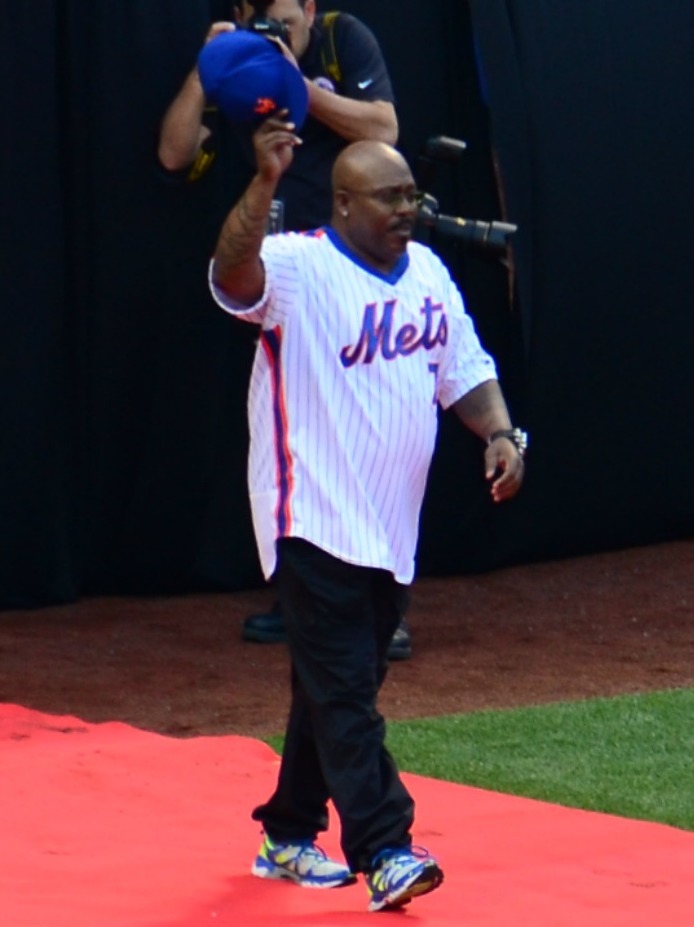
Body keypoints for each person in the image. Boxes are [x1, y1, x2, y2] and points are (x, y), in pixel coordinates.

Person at [207, 114, 526, 912]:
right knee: (348, 692)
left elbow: (466, 368)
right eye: (388, 197)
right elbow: (231, 275)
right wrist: (263, 182)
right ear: (343, 204)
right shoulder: (296, 267)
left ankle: (287, 831)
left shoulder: (427, 274)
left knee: (334, 688)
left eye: (410, 193)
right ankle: (385, 846)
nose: (406, 207)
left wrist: (498, 433)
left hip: (390, 530)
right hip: (309, 515)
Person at [157, 0, 413, 658]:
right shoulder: (238, 63)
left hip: (354, 270)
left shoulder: (340, 40)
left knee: (366, 432)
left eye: (289, 6)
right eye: (260, 10)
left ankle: (383, 598)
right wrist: (208, 68)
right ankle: (305, 597)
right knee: (293, 442)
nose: (279, 19)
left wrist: (296, 84)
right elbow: (174, 152)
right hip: (284, 278)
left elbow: (385, 125)